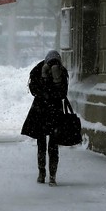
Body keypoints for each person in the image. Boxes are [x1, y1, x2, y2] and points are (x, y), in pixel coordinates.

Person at [21, 50, 69, 186]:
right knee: (43, 144)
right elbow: (35, 91)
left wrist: (56, 79)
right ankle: (43, 173)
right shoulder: (37, 70)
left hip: (51, 113)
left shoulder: (61, 72)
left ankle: (51, 175)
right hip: (42, 112)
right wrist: (44, 77)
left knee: (51, 145)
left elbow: (62, 93)